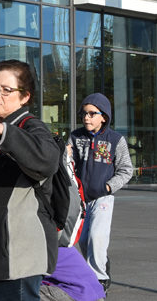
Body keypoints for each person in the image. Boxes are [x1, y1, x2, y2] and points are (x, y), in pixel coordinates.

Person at [0, 60, 59, 301]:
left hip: (18, 253)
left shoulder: (29, 126)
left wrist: (3, 132)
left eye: (6, 89)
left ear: (25, 97)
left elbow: (47, 159)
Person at [69, 93, 133, 294]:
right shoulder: (75, 137)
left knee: (97, 237)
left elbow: (126, 169)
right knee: (84, 239)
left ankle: (99, 279)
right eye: (83, 114)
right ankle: (101, 264)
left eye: (91, 114)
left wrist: (108, 187)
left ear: (103, 116)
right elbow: (68, 165)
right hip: (80, 198)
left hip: (103, 197)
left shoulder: (116, 140)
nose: (86, 118)